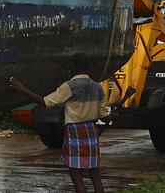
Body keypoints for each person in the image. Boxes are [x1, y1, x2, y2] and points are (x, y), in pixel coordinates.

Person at [9, 53, 107, 193]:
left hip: (75, 130)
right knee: (95, 174)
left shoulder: (70, 86)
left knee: (76, 175)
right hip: (91, 129)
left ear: (73, 67)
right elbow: (103, 115)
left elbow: (45, 102)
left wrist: (22, 89)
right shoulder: (98, 87)